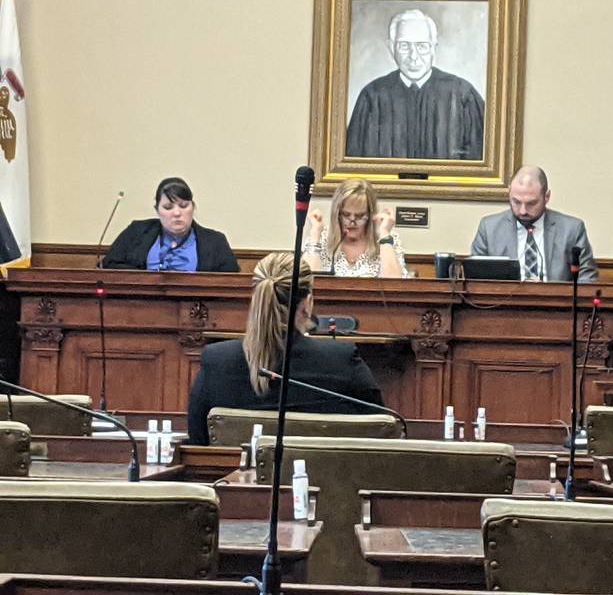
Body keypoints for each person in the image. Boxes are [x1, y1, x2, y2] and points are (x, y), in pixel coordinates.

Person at [187, 253, 384, 445]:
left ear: (255, 298)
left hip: (235, 477)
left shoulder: (217, 360)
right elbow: (381, 430)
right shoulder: (342, 360)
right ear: (307, 303)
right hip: (319, 477)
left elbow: (197, 440)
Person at [346, 9, 484, 160]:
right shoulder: (372, 96)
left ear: (433, 48)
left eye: (422, 46)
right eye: (404, 46)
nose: (413, 57)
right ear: (391, 48)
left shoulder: (463, 95)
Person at [471, 165, 598, 282]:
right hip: (504, 305)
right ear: (509, 193)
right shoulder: (489, 228)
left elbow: (587, 279)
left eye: (531, 203)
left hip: (557, 304)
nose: (523, 211)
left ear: (546, 197)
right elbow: (476, 280)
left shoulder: (572, 229)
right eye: (516, 202)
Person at [102, 177, 239, 272]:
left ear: (193, 207)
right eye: (168, 207)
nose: (177, 213)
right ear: (157, 210)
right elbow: (110, 265)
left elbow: (231, 279)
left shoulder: (215, 241)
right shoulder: (137, 232)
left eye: (184, 206)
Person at [303, 178, 409, 278]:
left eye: (360, 216)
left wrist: (384, 235)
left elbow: (394, 287)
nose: (352, 222)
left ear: (371, 214)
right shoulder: (322, 237)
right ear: (337, 213)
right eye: (346, 214)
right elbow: (306, 284)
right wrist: (315, 234)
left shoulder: (388, 238)